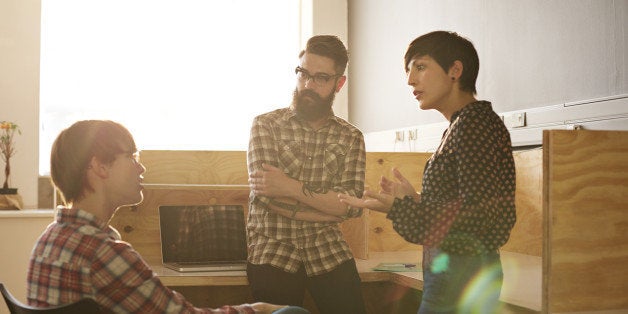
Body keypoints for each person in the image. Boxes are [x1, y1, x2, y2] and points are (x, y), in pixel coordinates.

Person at [27, 120, 308, 314]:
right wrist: (257, 309)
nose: (141, 168)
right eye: (132, 157)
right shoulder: (104, 253)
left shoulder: (47, 242)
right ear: (100, 166)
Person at [339, 31, 517, 314]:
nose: (410, 80)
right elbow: (466, 202)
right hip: (456, 270)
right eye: (409, 71)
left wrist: (400, 209)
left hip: (463, 273)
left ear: (454, 70)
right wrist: (418, 200)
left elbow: (478, 216)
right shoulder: (464, 124)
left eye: (420, 67)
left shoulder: (474, 124)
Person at [246, 35, 367, 314]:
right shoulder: (266, 125)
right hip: (273, 245)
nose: (308, 85)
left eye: (321, 78)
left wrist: (288, 186)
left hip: (327, 247)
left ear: (339, 83)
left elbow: (352, 207)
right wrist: (331, 211)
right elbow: (267, 199)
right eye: (303, 74)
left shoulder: (351, 137)